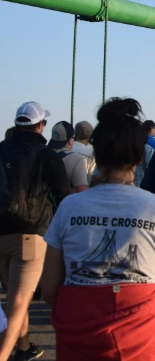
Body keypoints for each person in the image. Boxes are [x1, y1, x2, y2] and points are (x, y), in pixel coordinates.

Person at [40, 98, 155, 361]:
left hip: (81, 343)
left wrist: (83, 314)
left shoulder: (69, 208)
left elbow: (50, 288)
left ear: (97, 155)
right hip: (146, 342)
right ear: (139, 157)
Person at [0, 102, 72, 361]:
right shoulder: (46, 155)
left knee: (15, 296)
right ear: (40, 125)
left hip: (0, 235)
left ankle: (24, 348)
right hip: (30, 236)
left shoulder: (1, 149)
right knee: (19, 300)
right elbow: (64, 196)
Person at [49, 121, 89, 192]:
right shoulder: (77, 159)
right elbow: (81, 190)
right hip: (64, 202)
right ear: (70, 140)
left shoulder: (41, 153)